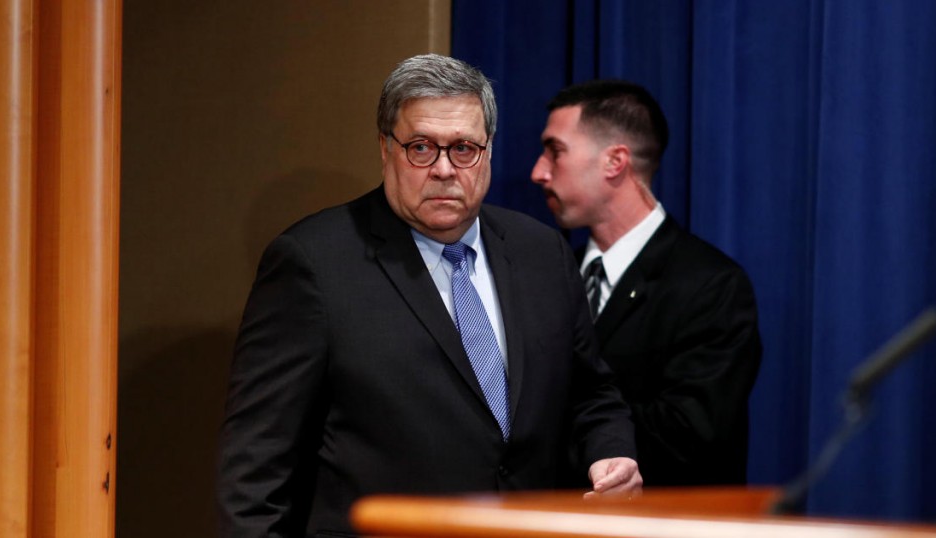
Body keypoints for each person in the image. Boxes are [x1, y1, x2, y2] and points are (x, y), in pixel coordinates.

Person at [217, 55, 642, 537]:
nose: (443, 169)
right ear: (385, 148)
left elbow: (592, 392)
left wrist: (612, 451)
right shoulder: (313, 263)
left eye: (463, 148)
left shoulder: (541, 252)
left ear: (489, 151)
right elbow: (257, 466)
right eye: (420, 147)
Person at [531, 80, 762, 486]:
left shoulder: (712, 286)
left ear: (615, 162)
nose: (538, 171)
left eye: (556, 151)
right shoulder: (549, 272)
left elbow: (688, 437)